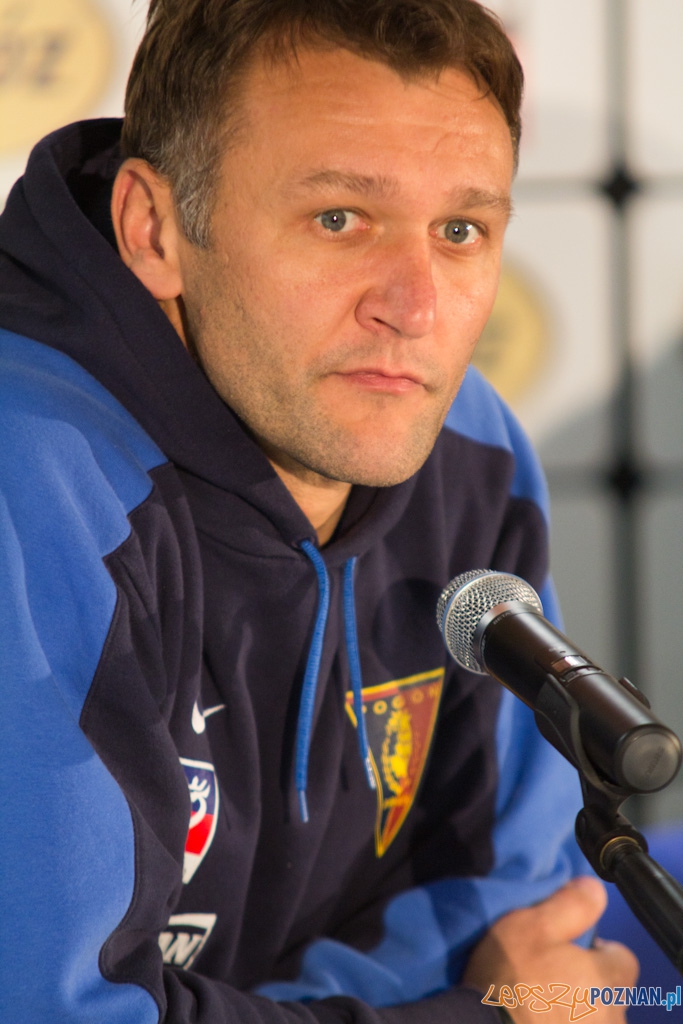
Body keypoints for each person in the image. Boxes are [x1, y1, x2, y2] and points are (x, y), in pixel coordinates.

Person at [0, 1, 637, 1021]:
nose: (413, 307)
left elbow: (508, 904)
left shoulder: (467, 445)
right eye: (339, 219)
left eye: (460, 231)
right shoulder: (28, 478)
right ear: (153, 231)